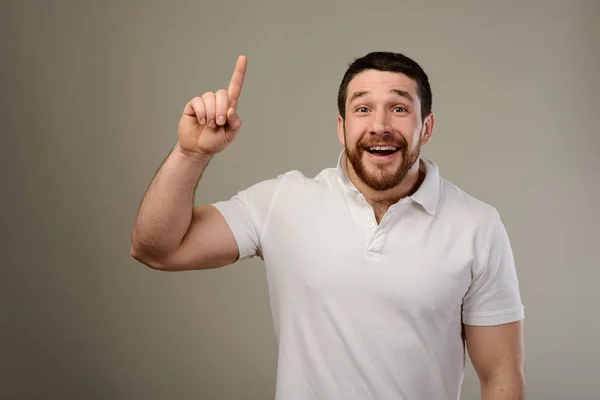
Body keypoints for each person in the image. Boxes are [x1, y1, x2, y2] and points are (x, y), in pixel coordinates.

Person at [131, 52, 525, 400]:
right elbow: (158, 248)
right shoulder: (283, 201)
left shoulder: (478, 225)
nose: (381, 125)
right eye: (363, 109)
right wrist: (191, 153)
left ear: (427, 127)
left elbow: (500, 376)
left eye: (400, 109)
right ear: (342, 127)